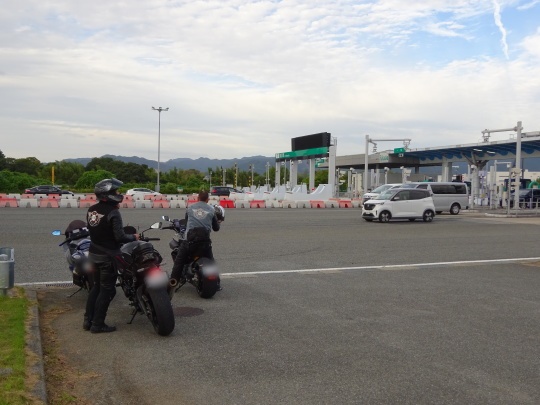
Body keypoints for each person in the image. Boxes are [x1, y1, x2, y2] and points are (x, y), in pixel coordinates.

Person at [84, 178, 139, 333]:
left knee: (96, 288)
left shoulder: (92, 210)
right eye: (116, 191)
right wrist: (134, 237)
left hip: (93, 254)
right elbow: (120, 237)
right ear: (107, 194)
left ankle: (87, 321)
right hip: (107, 257)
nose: (118, 193)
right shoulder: (113, 212)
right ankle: (97, 324)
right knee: (107, 290)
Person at [169, 190, 223, 290]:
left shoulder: (190, 208)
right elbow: (216, 228)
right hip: (205, 242)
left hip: (190, 242)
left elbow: (186, 222)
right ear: (207, 199)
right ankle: (217, 284)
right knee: (211, 262)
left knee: (179, 261)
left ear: (198, 198)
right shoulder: (211, 210)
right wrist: (217, 222)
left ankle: (173, 281)